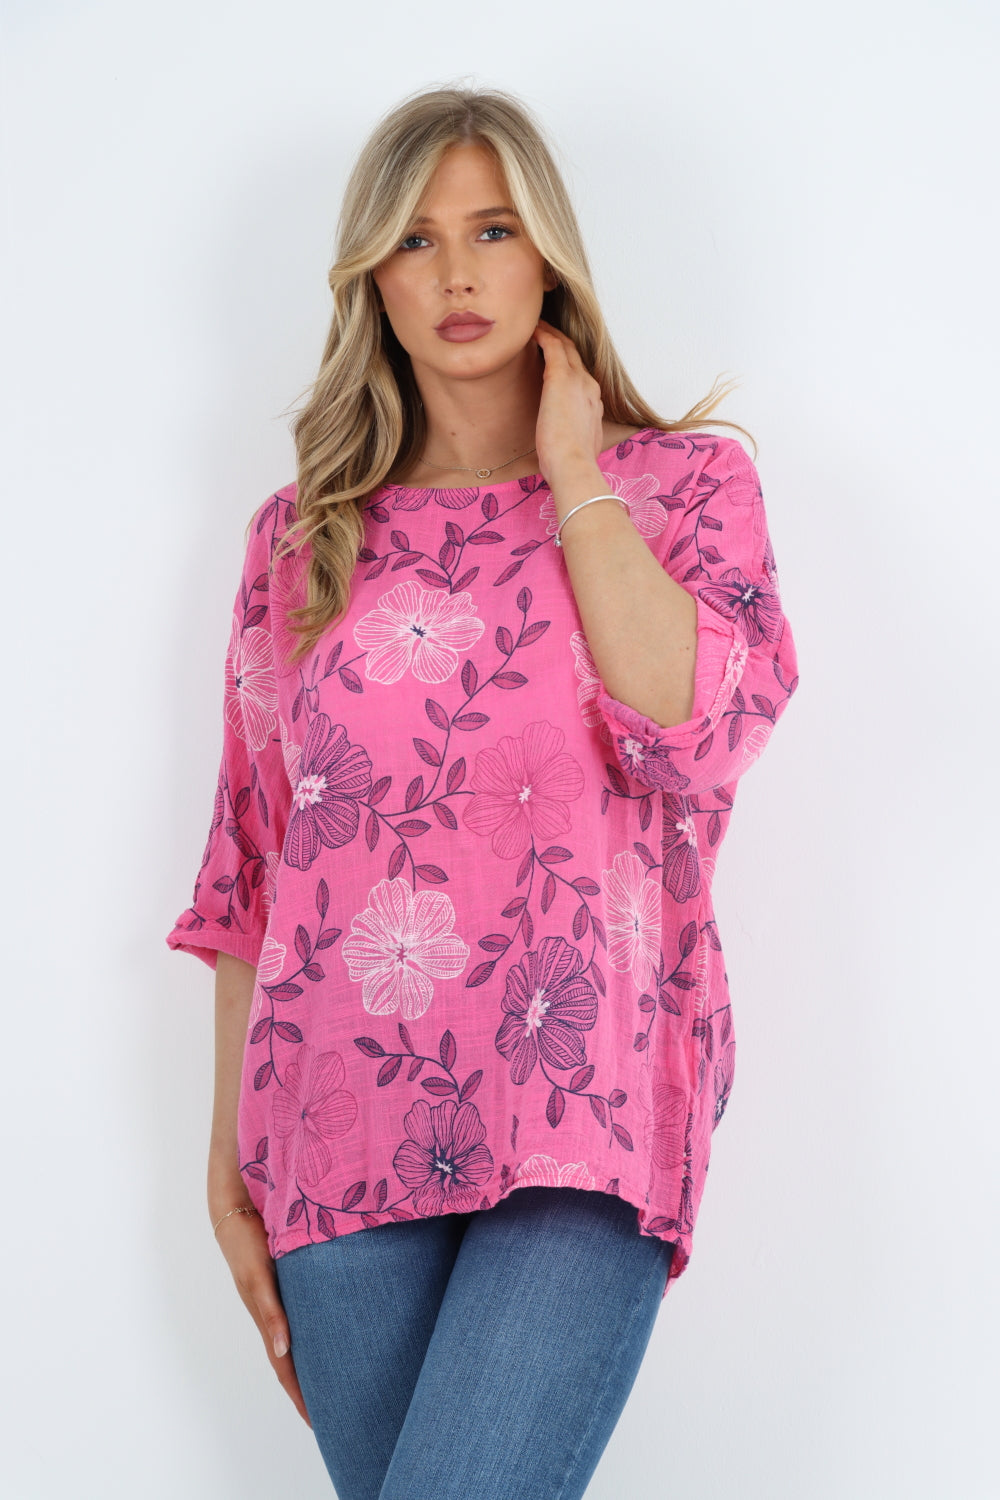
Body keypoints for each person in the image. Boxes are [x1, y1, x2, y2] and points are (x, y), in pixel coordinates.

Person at [166, 83, 800, 1499]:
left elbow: (693, 727)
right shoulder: (302, 538)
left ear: (549, 257)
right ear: (371, 281)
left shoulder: (686, 490)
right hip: (332, 1123)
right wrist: (226, 1155)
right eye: (416, 238)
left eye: (494, 229)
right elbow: (254, 862)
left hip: (587, 1103)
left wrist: (573, 468)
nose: (457, 272)